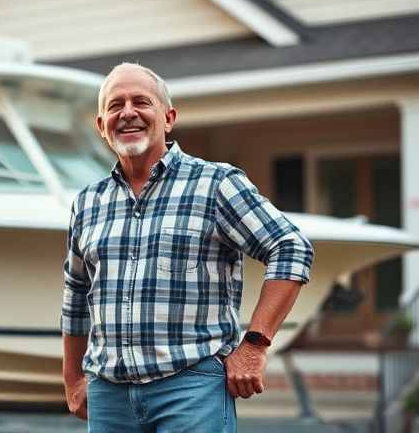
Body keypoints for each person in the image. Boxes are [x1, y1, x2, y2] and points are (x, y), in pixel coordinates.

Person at [61, 63, 314, 432]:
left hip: (192, 388)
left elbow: (290, 247)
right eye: (115, 105)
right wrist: (73, 379)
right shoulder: (88, 202)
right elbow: (75, 295)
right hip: (109, 396)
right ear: (102, 125)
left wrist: (255, 345)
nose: (127, 112)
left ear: (168, 117)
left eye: (141, 102)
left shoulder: (216, 184)